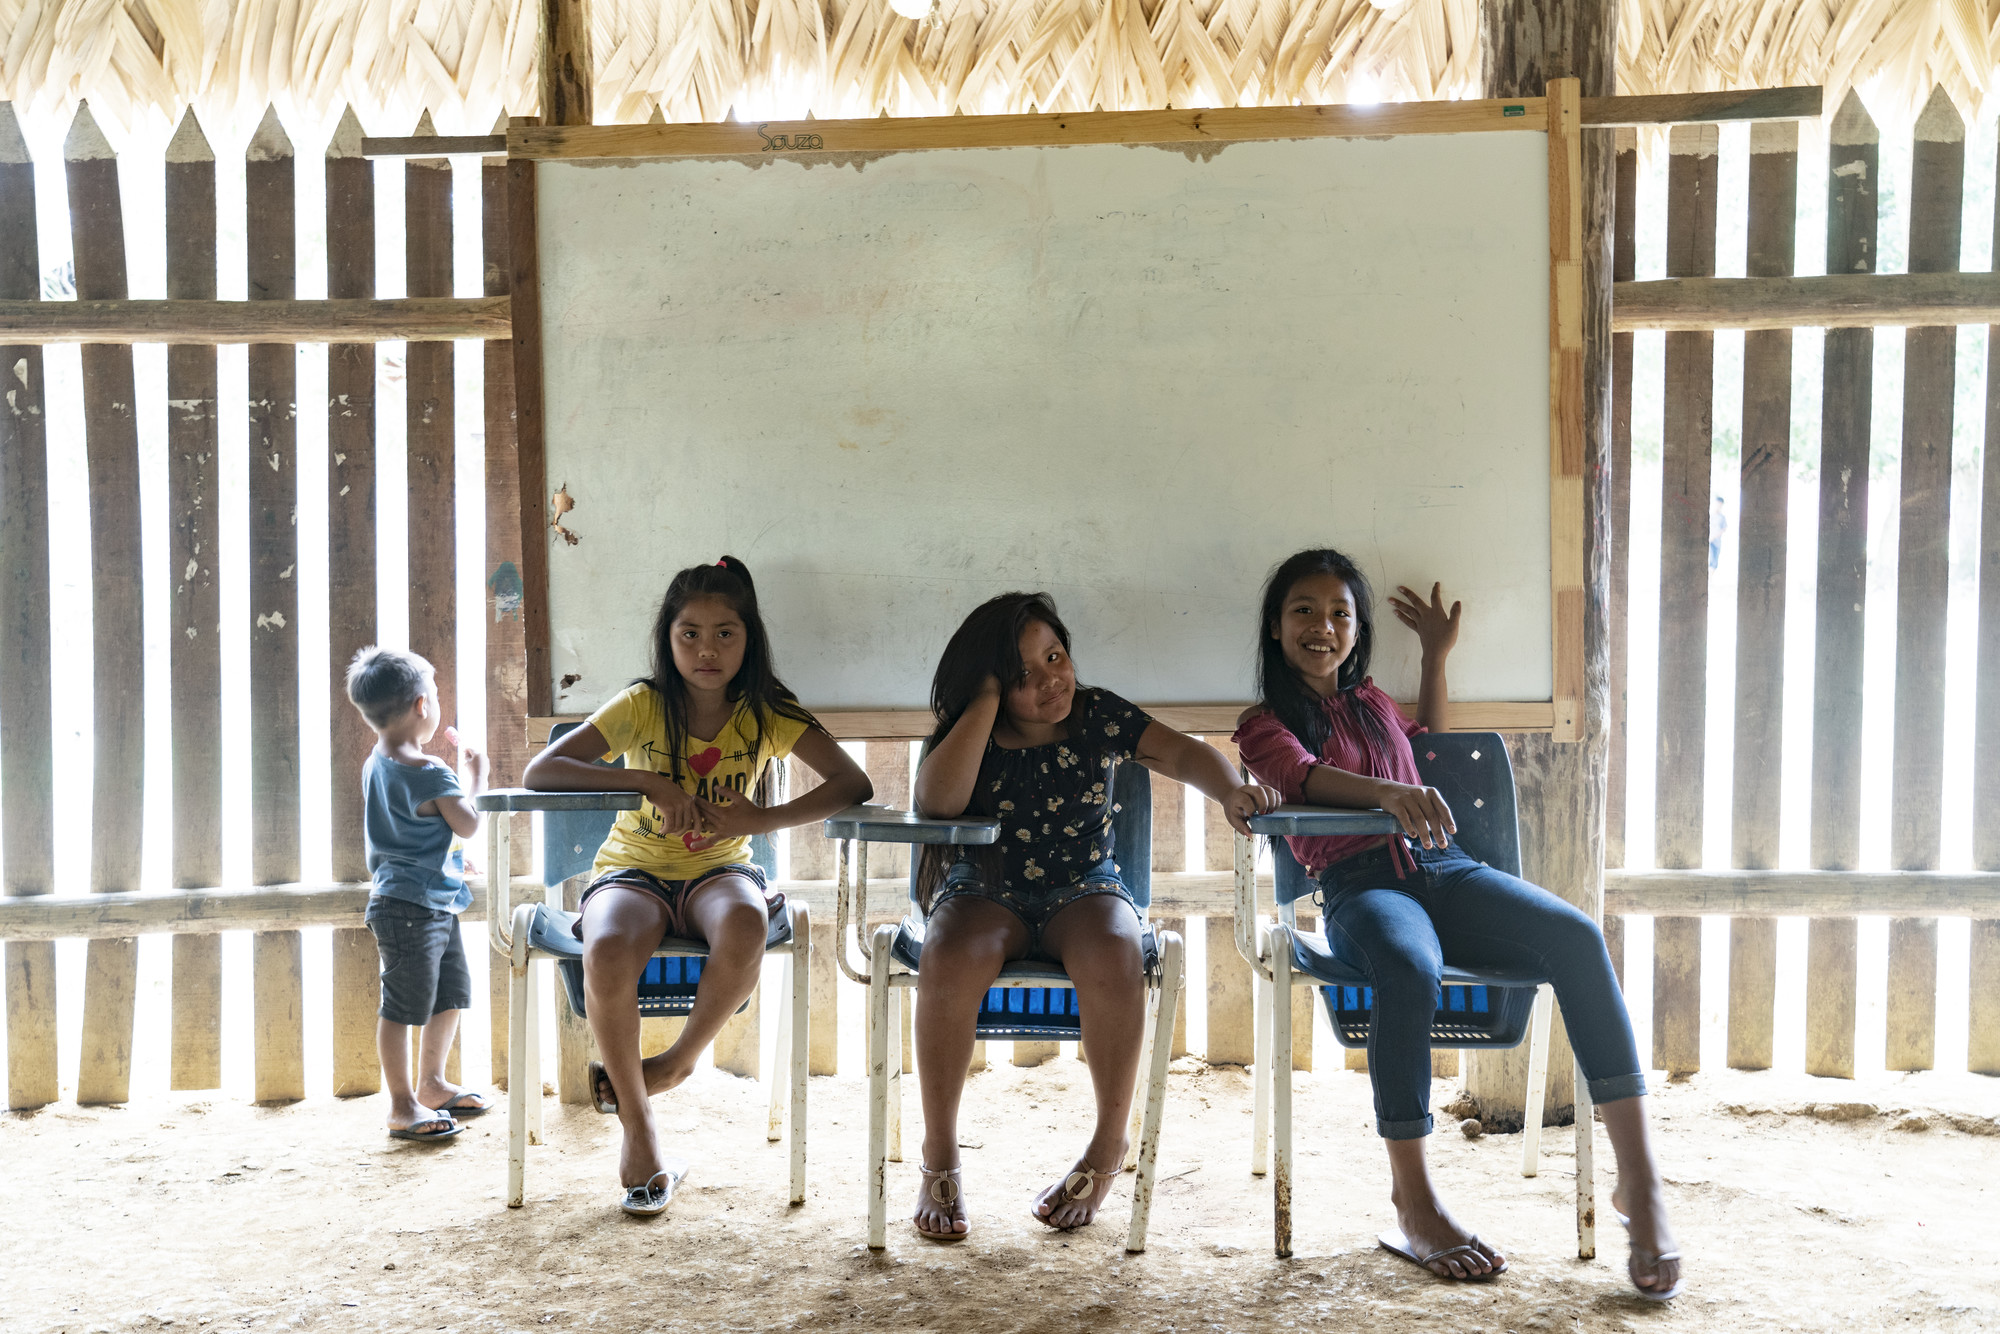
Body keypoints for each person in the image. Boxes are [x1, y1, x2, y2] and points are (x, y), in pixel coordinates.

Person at [1233, 548, 1681, 1298]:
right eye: (1303, 611)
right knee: (1409, 967)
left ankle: (1640, 1183)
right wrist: (1383, 795)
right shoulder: (1263, 724)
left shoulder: (1373, 702)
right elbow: (1299, 777)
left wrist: (1435, 657)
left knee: (1577, 937)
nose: (1323, 626)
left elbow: (1424, 747)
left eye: (1340, 612)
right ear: (1276, 629)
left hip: (1445, 870)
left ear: (1358, 628)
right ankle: (1416, 1202)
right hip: (1361, 888)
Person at [908, 592, 1280, 1241]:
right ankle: (939, 1155)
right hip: (984, 889)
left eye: (1056, 656)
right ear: (990, 683)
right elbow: (938, 804)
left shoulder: (1097, 713)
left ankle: (1109, 1147)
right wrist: (988, 700)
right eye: (1024, 674)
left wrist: (1229, 788)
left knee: (1118, 949)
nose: (1051, 679)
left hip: (1083, 889)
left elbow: (1184, 754)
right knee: (947, 953)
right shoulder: (975, 727)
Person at [523, 556, 871, 1216]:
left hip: (719, 872)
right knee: (605, 948)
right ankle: (640, 1127)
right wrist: (648, 782)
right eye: (690, 634)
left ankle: (677, 1065)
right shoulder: (643, 704)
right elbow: (545, 771)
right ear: (668, 636)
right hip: (635, 870)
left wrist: (762, 819)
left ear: (749, 638)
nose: (707, 650)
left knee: (744, 923)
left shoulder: (768, 711)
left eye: (725, 634)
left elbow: (853, 783)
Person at [345, 647, 492, 1143]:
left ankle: (431, 1085)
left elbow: (410, 828)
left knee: (449, 993)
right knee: (402, 1007)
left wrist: (450, 858)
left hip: (424, 899)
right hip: (412, 906)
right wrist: (475, 777)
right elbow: (467, 823)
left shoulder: (376, 762)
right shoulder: (431, 770)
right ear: (421, 706)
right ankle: (402, 1105)